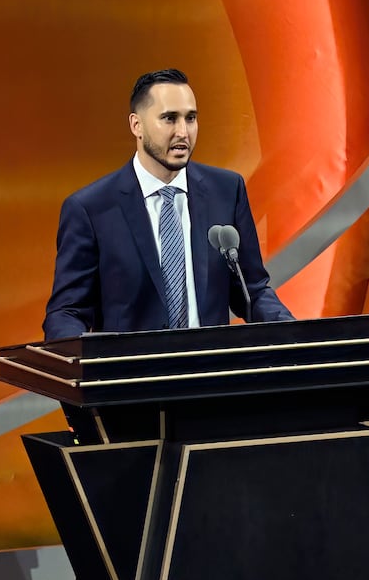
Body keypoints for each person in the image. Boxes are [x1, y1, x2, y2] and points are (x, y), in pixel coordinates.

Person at [43, 70, 294, 433]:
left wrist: (292, 336)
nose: (183, 132)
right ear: (137, 125)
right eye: (169, 119)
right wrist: (88, 368)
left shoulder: (227, 190)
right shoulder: (91, 209)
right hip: (131, 403)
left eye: (191, 118)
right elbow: (66, 311)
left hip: (217, 397)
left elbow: (252, 290)